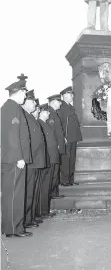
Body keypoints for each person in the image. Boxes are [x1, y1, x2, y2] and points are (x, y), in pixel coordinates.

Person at [1, 80, 33, 237]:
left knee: (11, 193)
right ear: (18, 92)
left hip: (11, 158)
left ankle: (10, 227)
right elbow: (12, 135)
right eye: (24, 93)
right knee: (15, 194)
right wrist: (19, 157)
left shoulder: (9, 108)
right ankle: (15, 229)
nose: (25, 96)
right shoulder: (12, 108)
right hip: (15, 159)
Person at [22, 90, 46, 228]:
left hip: (36, 160)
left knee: (33, 191)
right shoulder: (25, 117)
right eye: (32, 102)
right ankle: (26, 219)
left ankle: (30, 217)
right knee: (29, 191)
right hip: (31, 161)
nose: (35, 105)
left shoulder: (30, 118)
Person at [57, 86, 82, 186]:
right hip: (66, 138)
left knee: (72, 159)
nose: (72, 96)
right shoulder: (61, 107)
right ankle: (64, 180)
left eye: (72, 94)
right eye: (69, 94)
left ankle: (70, 179)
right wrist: (62, 137)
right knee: (65, 160)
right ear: (63, 96)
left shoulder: (71, 107)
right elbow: (59, 124)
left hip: (73, 137)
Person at [38, 103, 59, 218]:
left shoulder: (45, 124)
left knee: (49, 184)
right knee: (45, 186)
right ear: (41, 112)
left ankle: (45, 210)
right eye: (46, 112)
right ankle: (43, 211)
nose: (49, 113)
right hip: (48, 158)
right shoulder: (40, 124)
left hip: (52, 157)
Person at [47, 94, 66, 198]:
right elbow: (52, 132)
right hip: (54, 148)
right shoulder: (50, 113)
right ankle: (52, 193)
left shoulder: (54, 113)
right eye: (59, 102)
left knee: (55, 171)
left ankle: (54, 192)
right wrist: (58, 144)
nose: (60, 103)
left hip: (56, 147)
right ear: (54, 102)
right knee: (53, 172)